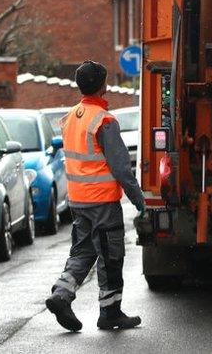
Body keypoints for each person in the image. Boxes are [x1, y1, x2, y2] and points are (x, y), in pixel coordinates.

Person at [45, 60, 147, 332]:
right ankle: (110, 312)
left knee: (83, 251)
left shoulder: (70, 117)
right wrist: (139, 199)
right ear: (103, 85)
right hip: (102, 201)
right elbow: (121, 168)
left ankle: (61, 295)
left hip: (79, 202)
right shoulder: (104, 121)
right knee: (111, 256)